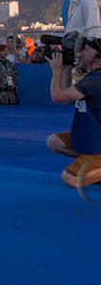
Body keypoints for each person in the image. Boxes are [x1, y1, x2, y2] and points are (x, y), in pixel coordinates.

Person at [46, 37, 101, 187]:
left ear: (98, 56)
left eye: (87, 49)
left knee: (70, 179)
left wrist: (56, 71)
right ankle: (94, 168)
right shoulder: (92, 77)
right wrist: (65, 68)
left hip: (97, 142)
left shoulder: (96, 79)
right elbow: (66, 98)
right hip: (90, 137)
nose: (82, 52)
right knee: (55, 142)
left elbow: (57, 96)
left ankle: (96, 165)